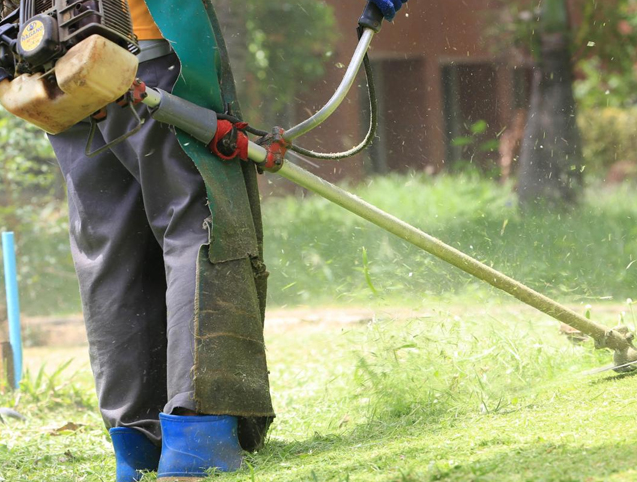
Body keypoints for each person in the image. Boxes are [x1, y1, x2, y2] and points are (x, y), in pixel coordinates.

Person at [47, 1, 407, 480]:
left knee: (113, 249)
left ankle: (137, 448)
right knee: (199, 225)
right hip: (147, 54)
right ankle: (200, 437)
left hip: (52, 67)